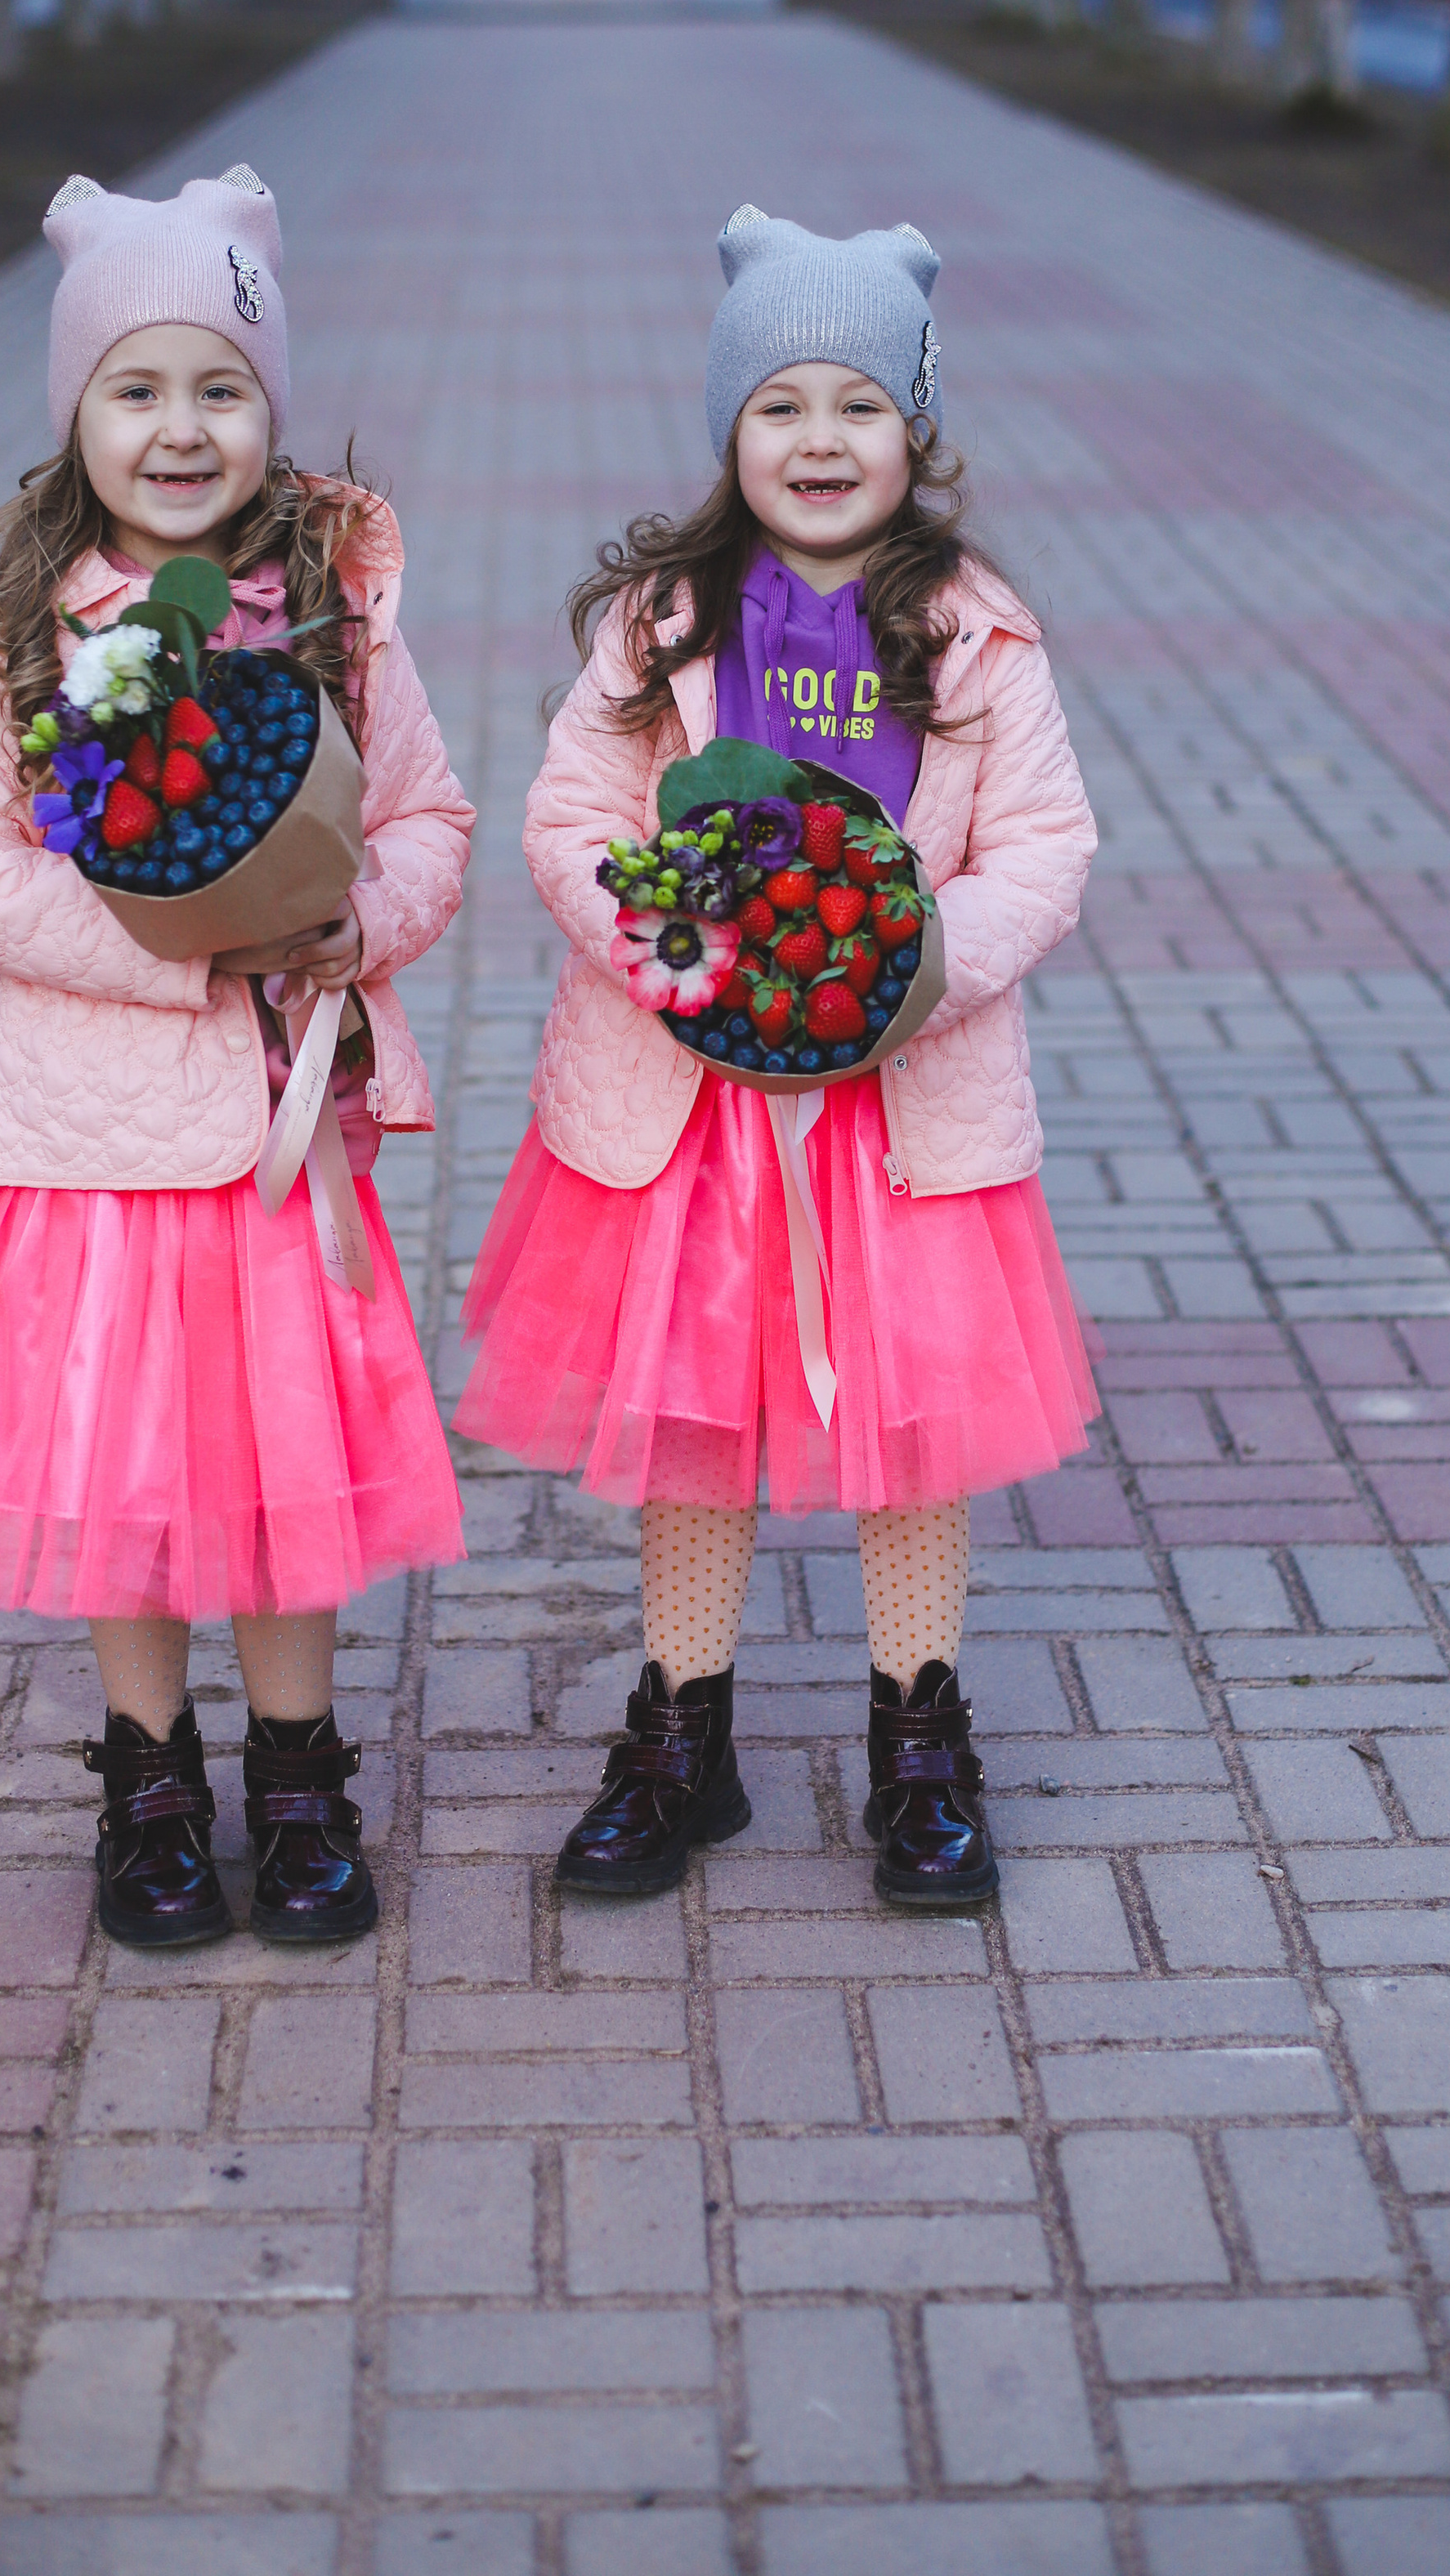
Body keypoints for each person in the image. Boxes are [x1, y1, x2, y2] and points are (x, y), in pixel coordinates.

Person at [0, 166, 472, 1951]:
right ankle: (147, 1778)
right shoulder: (17, 628)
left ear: (270, 410)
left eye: (221, 387)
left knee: (282, 1466)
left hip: (280, 1129)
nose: (180, 427)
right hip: (86, 1137)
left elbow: (423, 817)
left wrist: (357, 925)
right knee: (120, 1468)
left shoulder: (334, 613)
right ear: (78, 415)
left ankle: (298, 1771)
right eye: (136, 388)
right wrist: (172, 948)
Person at [457, 207, 1098, 1909]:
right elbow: (573, 819)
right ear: (729, 430)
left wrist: (914, 965)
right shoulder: (665, 624)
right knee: (691, 1416)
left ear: (913, 428)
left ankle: (918, 1734)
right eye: (781, 406)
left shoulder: (976, 632)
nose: (821, 440)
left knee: (913, 1424)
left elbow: (1042, 847)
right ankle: (683, 1730)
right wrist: (666, 947)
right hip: (694, 1108)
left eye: (859, 406)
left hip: (900, 1105)